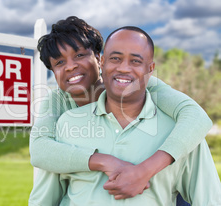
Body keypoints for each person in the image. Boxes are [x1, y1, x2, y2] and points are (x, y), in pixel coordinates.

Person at [28, 16, 213, 205]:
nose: (71, 66)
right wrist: (105, 161)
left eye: (79, 55)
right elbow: (40, 149)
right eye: (59, 63)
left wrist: (144, 171)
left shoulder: (140, 83)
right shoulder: (58, 104)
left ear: (99, 59)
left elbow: (196, 117)